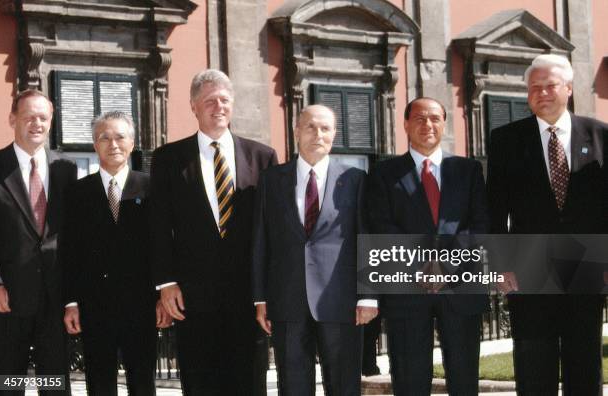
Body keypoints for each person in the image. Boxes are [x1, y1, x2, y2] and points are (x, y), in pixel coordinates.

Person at [150, 69, 277, 395]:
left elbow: (271, 230)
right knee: (200, 384)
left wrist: (267, 292)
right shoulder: (168, 159)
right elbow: (160, 225)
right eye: (209, 101)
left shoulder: (263, 157)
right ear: (193, 106)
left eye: (224, 100)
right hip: (193, 299)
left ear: (232, 104)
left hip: (248, 297)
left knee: (249, 384)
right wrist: (166, 283)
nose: (217, 106)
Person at [487, 54, 608, 395]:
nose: (542, 93)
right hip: (528, 268)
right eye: (534, 88)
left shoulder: (601, 136)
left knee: (583, 361)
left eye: (550, 85)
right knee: (532, 360)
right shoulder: (506, 140)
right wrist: (500, 266)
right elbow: (495, 210)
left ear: (568, 88)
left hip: (586, 265)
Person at [252, 104, 378, 396]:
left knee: (344, 385)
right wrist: (260, 297)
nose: (317, 134)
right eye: (310, 127)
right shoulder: (272, 180)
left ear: (334, 134)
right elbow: (261, 241)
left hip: (342, 301)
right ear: (297, 131)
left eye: (325, 128)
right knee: (293, 386)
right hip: (287, 300)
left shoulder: (356, 180)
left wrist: (369, 294)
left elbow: (367, 238)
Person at [366, 97, 489, 395]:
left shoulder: (468, 170)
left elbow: (480, 224)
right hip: (407, 289)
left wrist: (445, 265)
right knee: (409, 379)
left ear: (444, 123)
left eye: (435, 118)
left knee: (464, 377)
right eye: (419, 118)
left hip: (460, 286)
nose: (427, 124)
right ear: (406, 124)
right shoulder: (384, 173)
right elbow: (381, 228)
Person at [60, 111, 171, 395]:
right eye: (104, 138)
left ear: (132, 142)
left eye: (120, 136)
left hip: (142, 305)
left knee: (143, 381)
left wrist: (162, 296)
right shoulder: (77, 193)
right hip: (94, 305)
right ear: (94, 146)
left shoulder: (151, 188)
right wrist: (71, 301)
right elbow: (69, 252)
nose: (113, 144)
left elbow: (164, 245)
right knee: (99, 382)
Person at [0, 90, 77, 395]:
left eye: (43, 117)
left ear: (51, 121)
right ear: (12, 119)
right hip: (7, 299)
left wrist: (72, 298)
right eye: (29, 116)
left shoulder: (66, 170)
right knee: (7, 382)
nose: (36, 123)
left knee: (54, 384)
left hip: (55, 299)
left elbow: (73, 238)